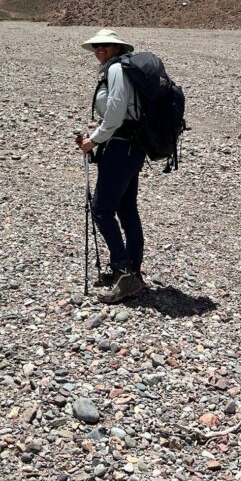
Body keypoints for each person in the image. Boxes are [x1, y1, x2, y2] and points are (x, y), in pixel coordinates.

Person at [75, 28, 146, 304]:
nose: (99, 49)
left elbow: (115, 113)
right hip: (131, 147)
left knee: (102, 208)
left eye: (105, 45)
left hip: (119, 147)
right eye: (97, 46)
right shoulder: (122, 70)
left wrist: (92, 140)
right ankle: (133, 271)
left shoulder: (116, 71)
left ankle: (123, 269)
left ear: (117, 48)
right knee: (127, 208)